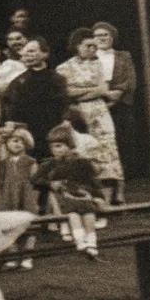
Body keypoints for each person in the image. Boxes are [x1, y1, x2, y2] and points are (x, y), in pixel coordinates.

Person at [56, 28, 123, 200]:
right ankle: (86, 194)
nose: (92, 49)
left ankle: (110, 195)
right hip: (78, 112)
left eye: (94, 46)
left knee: (106, 150)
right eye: (88, 46)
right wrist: (95, 90)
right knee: (83, 150)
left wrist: (87, 91)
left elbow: (103, 88)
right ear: (77, 46)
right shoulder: (64, 67)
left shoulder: (97, 64)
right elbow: (68, 92)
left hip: (99, 112)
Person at [33, 126, 104, 258]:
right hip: (64, 196)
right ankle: (80, 240)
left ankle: (91, 242)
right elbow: (35, 179)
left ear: (70, 145)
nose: (55, 150)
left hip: (82, 194)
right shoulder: (49, 164)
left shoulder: (82, 162)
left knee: (89, 212)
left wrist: (99, 196)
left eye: (59, 146)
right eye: (52, 147)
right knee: (73, 214)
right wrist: (50, 183)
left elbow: (93, 181)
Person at [1, 38, 69, 159]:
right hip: (27, 136)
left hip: (52, 133)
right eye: (25, 52)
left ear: (45, 53)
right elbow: (10, 108)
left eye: (32, 51)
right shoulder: (19, 82)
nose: (28, 55)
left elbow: (62, 106)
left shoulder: (57, 80)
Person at [93, 22, 137, 197]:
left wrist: (117, 94)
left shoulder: (124, 56)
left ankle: (120, 188)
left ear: (112, 37)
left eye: (105, 35)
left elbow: (130, 80)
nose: (102, 38)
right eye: (98, 35)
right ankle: (102, 188)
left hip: (119, 105)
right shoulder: (89, 57)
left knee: (121, 143)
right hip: (96, 105)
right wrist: (101, 99)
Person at [0, 124, 39, 270]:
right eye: (13, 140)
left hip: (25, 195)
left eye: (20, 141)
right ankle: (12, 256)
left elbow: (35, 182)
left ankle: (27, 256)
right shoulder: (3, 162)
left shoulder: (30, 161)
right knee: (8, 225)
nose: (17, 144)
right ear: (7, 143)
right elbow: (0, 180)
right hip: (8, 196)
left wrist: (34, 199)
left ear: (26, 143)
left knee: (29, 225)